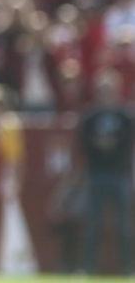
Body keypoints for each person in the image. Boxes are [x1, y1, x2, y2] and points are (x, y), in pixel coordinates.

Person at [79, 70, 134, 275]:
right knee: (93, 225)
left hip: (119, 175)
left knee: (124, 227)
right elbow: (83, 145)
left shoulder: (126, 116)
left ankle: (128, 269)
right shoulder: (90, 116)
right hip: (96, 175)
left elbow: (127, 144)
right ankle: (89, 268)